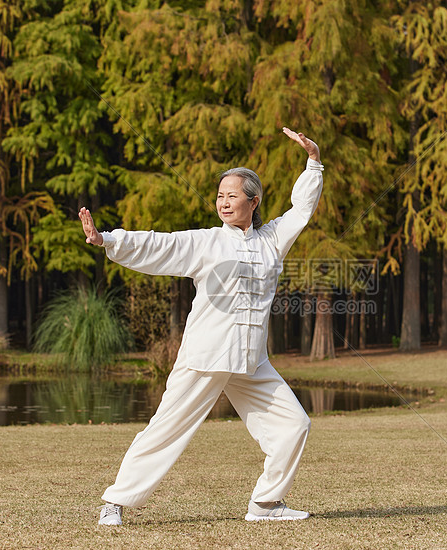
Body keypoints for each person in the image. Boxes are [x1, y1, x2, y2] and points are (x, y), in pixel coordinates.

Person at [79, 127, 323, 525]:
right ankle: (115, 502)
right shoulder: (207, 241)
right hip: (206, 355)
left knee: (294, 425)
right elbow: (159, 246)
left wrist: (313, 163)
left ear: (253, 201)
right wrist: (107, 240)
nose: (224, 202)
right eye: (220, 196)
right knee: (166, 429)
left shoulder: (273, 239)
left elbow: (301, 210)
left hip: (251, 360)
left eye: (233, 195)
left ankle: (265, 505)